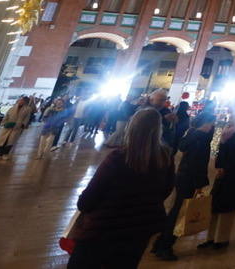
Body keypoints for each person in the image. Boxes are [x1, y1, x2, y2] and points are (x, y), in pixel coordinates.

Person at [67, 108, 175, 268]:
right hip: (139, 231)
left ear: (131, 127)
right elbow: (166, 190)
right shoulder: (165, 158)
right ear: (159, 130)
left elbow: (87, 200)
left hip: (103, 230)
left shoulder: (118, 158)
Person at [151, 110, 215, 261]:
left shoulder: (191, 134)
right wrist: (201, 183)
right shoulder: (201, 139)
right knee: (181, 214)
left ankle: (160, 243)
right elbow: (198, 163)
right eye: (212, 123)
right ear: (207, 123)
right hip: (191, 179)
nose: (213, 127)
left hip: (182, 176)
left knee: (176, 211)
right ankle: (165, 246)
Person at [200, 108, 235, 251]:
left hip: (227, 173)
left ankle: (214, 238)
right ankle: (219, 239)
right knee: (225, 208)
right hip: (233, 174)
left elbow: (226, 151)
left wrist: (220, 166)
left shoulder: (229, 132)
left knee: (219, 207)